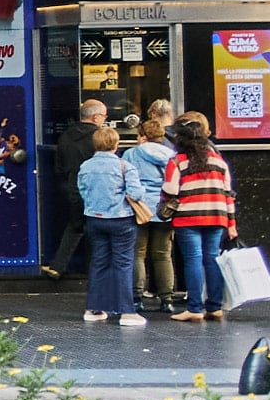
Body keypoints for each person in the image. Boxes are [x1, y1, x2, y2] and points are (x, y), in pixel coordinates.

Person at [164, 113, 239, 323]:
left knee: (193, 260)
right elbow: (228, 193)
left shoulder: (177, 161)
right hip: (216, 216)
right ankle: (215, 307)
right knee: (212, 259)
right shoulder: (218, 161)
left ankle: (195, 308)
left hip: (188, 218)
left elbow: (170, 188)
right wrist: (231, 223)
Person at [75, 123, 152, 324]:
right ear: (116, 144)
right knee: (123, 263)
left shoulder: (85, 166)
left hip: (94, 219)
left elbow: (82, 191)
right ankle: (127, 311)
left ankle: (94, 309)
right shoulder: (124, 166)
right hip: (121, 220)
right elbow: (135, 193)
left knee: (99, 262)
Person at [43, 98, 110, 279]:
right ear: (96, 117)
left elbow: (59, 167)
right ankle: (93, 270)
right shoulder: (99, 137)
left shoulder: (65, 136)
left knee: (75, 225)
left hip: (71, 186)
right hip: (96, 188)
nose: (105, 119)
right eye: (104, 116)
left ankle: (58, 266)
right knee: (95, 228)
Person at [126, 99, 180, 314]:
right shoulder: (172, 156)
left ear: (143, 136)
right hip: (164, 209)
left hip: (139, 209)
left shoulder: (131, 153)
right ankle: (167, 299)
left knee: (138, 253)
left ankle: (137, 297)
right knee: (163, 254)